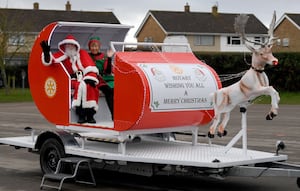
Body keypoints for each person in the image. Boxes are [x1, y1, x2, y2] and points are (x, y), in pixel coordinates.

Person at [40, 35, 99, 124]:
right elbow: (50, 61)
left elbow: (90, 67)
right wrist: (47, 54)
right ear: (65, 46)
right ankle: (81, 114)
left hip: (83, 77)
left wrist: (90, 77)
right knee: (80, 86)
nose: (70, 47)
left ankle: (90, 115)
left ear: (75, 46)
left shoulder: (82, 54)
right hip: (69, 80)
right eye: (68, 45)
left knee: (89, 86)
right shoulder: (62, 55)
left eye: (72, 45)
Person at [88, 36, 114, 120]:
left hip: (107, 78)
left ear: (99, 47)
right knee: (108, 91)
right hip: (96, 79)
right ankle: (114, 115)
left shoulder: (104, 56)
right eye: (92, 46)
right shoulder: (87, 56)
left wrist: (109, 58)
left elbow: (108, 71)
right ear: (90, 47)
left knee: (118, 90)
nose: (94, 48)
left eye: (96, 46)